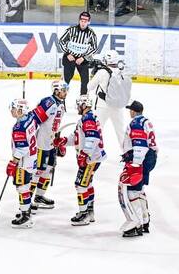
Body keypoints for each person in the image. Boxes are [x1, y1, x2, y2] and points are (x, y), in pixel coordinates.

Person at [63, 95, 106, 226]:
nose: (77, 107)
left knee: (80, 185)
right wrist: (64, 141)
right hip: (92, 158)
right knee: (87, 184)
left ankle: (84, 214)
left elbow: (93, 138)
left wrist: (84, 154)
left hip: (91, 159)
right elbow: (78, 137)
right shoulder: (86, 118)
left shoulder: (88, 119)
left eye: (79, 105)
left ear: (84, 105)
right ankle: (89, 212)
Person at [119, 100, 158, 238]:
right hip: (149, 158)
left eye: (130, 110)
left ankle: (137, 224)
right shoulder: (145, 121)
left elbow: (140, 146)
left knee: (132, 192)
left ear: (134, 111)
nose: (129, 112)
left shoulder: (136, 123)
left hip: (141, 159)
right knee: (139, 190)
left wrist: (135, 165)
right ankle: (145, 220)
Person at [30, 80, 68, 211]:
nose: (65, 93)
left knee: (48, 170)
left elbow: (55, 125)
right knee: (37, 171)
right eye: (63, 90)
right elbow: (33, 120)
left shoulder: (61, 105)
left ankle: (39, 197)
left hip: (51, 144)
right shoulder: (48, 103)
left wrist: (58, 141)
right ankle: (27, 201)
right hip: (41, 143)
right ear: (56, 90)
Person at [86, 50, 132, 145]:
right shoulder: (122, 71)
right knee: (120, 132)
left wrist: (93, 75)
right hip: (117, 106)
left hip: (102, 106)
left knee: (97, 130)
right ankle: (128, 154)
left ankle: (94, 153)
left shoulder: (102, 72)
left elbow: (89, 86)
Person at [7, 98, 39, 229]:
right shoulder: (30, 119)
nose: (12, 111)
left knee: (22, 188)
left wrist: (13, 163)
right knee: (25, 186)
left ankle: (26, 216)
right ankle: (26, 210)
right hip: (32, 159)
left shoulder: (19, 127)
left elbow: (22, 148)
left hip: (23, 163)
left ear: (20, 111)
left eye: (14, 109)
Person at [58, 12, 98, 94]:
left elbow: (94, 49)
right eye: (82, 20)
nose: (83, 23)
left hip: (82, 59)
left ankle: (83, 99)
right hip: (69, 57)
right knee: (66, 79)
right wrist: (68, 53)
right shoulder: (71, 30)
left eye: (85, 21)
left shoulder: (91, 34)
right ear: (79, 21)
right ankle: (61, 98)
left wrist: (84, 58)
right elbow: (61, 41)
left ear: (89, 22)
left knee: (85, 80)